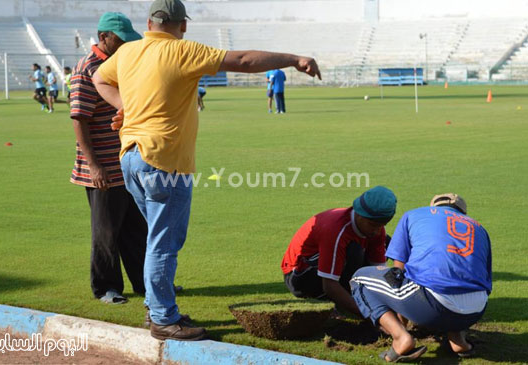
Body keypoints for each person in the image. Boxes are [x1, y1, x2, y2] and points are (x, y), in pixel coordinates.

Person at [92, 0, 321, 341]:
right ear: (182, 25)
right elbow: (242, 61)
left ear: (149, 22)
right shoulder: (182, 51)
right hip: (164, 160)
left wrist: (126, 106)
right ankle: (164, 319)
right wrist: (293, 59)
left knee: (156, 238)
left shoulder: (128, 52)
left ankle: (157, 308)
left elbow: (99, 77)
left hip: (130, 158)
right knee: (163, 243)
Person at [350, 193, 492, 363]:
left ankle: (401, 338)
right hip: (476, 309)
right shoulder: (480, 229)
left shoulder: (414, 214)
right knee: (458, 285)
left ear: (433, 207)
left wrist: (401, 319)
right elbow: (485, 281)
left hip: (433, 306)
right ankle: (459, 342)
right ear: (463, 213)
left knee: (359, 278)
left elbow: (397, 272)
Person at [70, 12, 147, 305]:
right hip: (102, 166)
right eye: (120, 39)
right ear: (103, 37)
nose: (125, 44)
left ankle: (144, 283)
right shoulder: (86, 69)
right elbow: (79, 119)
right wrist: (93, 166)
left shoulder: (118, 65)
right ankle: (106, 288)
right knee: (106, 231)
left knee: (136, 229)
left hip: (126, 163)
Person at [281, 186, 397, 316]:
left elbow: (378, 273)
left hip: (327, 266)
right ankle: (344, 301)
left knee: (385, 242)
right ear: (359, 214)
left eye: (382, 225)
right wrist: (371, 315)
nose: (376, 230)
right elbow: (329, 285)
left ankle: (353, 298)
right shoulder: (336, 231)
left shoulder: (377, 231)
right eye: (372, 225)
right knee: (354, 251)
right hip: (299, 277)